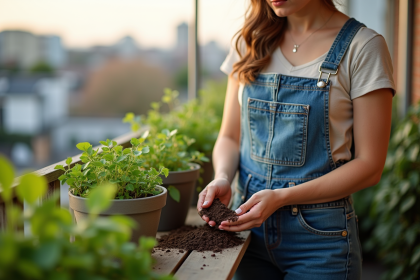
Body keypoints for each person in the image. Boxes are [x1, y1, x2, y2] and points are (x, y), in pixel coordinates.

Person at [197, 0, 395, 279]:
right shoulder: (250, 40)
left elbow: (370, 166)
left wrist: (281, 197)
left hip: (320, 242)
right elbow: (230, 136)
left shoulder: (363, 47)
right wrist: (222, 177)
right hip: (245, 233)